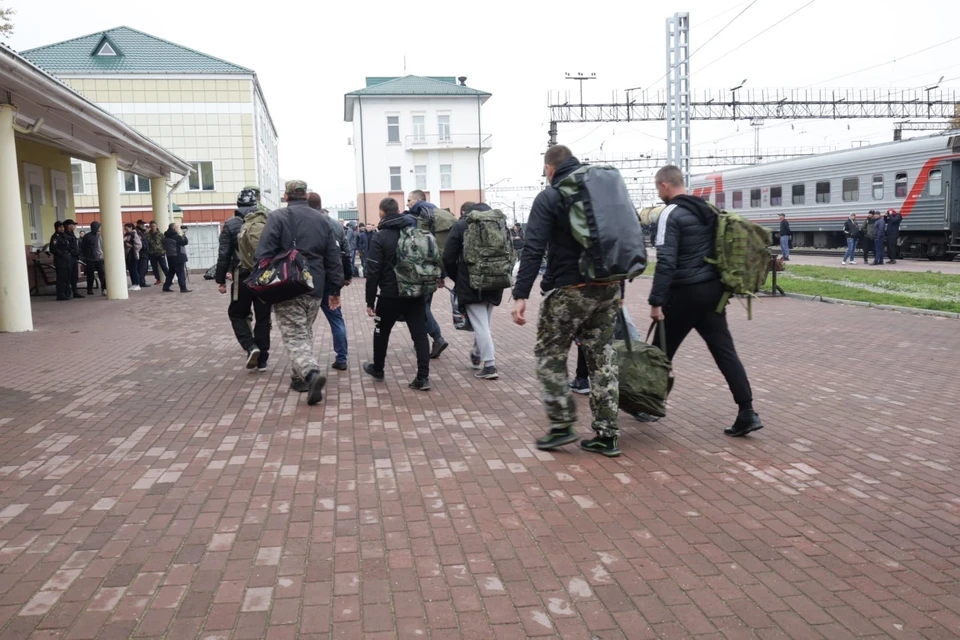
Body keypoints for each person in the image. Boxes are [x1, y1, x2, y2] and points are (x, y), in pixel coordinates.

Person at [511, 145, 622, 457]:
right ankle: (607, 435)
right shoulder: (602, 193)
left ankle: (561, 425)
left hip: (569, 289)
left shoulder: (550, 196)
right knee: (602, 358)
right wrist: (620, 290)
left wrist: (521, 294)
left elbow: (532, 248)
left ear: (549, 169)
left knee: (549, 354)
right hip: (607, 286)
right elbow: (619, 240)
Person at [648, 165, 762, 437]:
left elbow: (666, 261)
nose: (658, 193)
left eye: (657, 188)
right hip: (713, 292)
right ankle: (747, 411)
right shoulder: (709, 210)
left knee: (659, 352)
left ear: (665, 185)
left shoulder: (670, 213)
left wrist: (656, 301)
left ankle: (646, 403)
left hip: (683, 294)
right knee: (725, 351)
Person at [255, 180, 344, 405]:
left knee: (294, 334)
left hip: (287, 284)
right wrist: (335, 289)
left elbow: (263, 253)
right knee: (303, 330)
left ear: (286, 196)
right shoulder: (323, 220)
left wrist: (262, 280)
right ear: (305, 195)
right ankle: (298, 378)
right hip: (315, 285)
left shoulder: (277, 217)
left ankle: (311, 374)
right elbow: (334, 257)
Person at [362, 197, 432, 391]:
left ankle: (378, 369)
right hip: (415, 291)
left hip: (390, 294)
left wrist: (370, 301)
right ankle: (423, 377)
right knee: (419, 334)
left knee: (381, 332)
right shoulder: (413, 231)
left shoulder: (380, 236)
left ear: (382, 212)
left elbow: (373, 271)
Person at [442, 202, 506, 380]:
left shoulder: (462, 224)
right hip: (496, 279)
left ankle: (490, 365)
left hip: (471, 281)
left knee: (481, 325)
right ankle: (478, 353)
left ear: (465, 212)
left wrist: (458, 277)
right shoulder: (498, 223)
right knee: (483, 323)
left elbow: (448, 256)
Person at [216, 187, 271, 371]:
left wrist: (220, 279)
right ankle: (262, 359)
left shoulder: (231, 224)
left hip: (242, 276)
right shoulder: (266, 221)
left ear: (238, 204)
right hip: (263, 276)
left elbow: (224, 254)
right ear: (255, 204)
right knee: (263, 317)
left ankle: (250, 346)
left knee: (237, 313)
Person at [307, 193, 353, 371]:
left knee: (304, 323)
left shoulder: (304, 223)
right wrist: (346, 275)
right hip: (331, 280)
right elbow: (346, 252)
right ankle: (341, 357)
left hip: (309, 280)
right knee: (336, 319)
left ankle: (306, 361)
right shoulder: (334, 224)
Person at [405, 189, 448, 359]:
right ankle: (421, 342)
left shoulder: (414, 219)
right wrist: (441, 275)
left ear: (417, 201)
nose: (407, 204)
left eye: (409, 200)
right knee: (424, 307)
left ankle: (437, 338)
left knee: (421, 309)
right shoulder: (436, 218)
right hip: (434, 271)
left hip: (418, 273)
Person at [162, 223, 191, 292]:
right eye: (177, 227)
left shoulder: (166, 237)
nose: (178, 228)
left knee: (171, 272)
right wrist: (184, 234)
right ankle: (183, 288)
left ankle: (166, 287)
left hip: (170, 257)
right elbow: (184, 242)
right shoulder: (176, 236)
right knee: (180, 273)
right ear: (174, 228)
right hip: (178, 257)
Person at [81, 221, 107, 296]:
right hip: (90, 259)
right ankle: (89, 289)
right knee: (90, 275)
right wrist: (86, 255)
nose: (99, 228)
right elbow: (83, 247)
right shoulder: (87, 236)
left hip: (99, 258)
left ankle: (104, 288)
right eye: (99, 227)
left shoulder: (100, 236)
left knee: (102, 273)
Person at [49, 221, 72, 301]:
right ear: (56, 228)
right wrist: (62, 254)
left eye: (62, 227)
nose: (62, 229)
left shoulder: (64, 236)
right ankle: (61, 294)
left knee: (67, 277)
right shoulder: (55, 237)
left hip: (67, 260)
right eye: (60, 227)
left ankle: (67, 293)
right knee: (61, 278)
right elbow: (53, 249)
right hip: (60, 261)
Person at [62, 219, 84, 298]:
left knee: (74, 276)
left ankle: (75, 291)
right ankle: (68, 293)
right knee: (69, 275)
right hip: (69, 258)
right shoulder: (64, 235)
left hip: (74, 257)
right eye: (73, 224)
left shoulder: (72, 234)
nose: (74, 226)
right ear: (68, 226)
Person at [123, 223, 142, 291]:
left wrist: (131, 246)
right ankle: (134, 284)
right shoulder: (127, 235)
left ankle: (137, 284)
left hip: (134, 254)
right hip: (128, 255)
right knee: (131, 270)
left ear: (131, 227)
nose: (125, 230)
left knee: (134, 269)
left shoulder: (134, 234)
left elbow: (139, 245)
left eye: (126, 228)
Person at [135, 220, 151, 287]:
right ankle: (141, 282)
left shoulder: (142, 232)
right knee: (142, 268)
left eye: (143, 224)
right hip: (142, 253)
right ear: (138, 224)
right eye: (142, 224)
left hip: (145, 253)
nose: (143, 226)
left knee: (144, 268)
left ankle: (142, 281)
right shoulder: (138, 232)